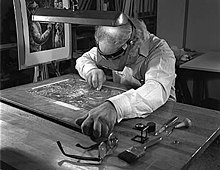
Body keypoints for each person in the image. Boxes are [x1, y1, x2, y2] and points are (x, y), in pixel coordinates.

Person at [75, 14, 176, 142]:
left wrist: (114, 107)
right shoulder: (112, 46)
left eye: (112, 58)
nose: (107, 62)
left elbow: (155, 89)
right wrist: (91, 70)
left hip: (161, 116)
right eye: (104, 56)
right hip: (123, 114)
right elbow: (84, 59)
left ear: (134, 47)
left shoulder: (160, 52)